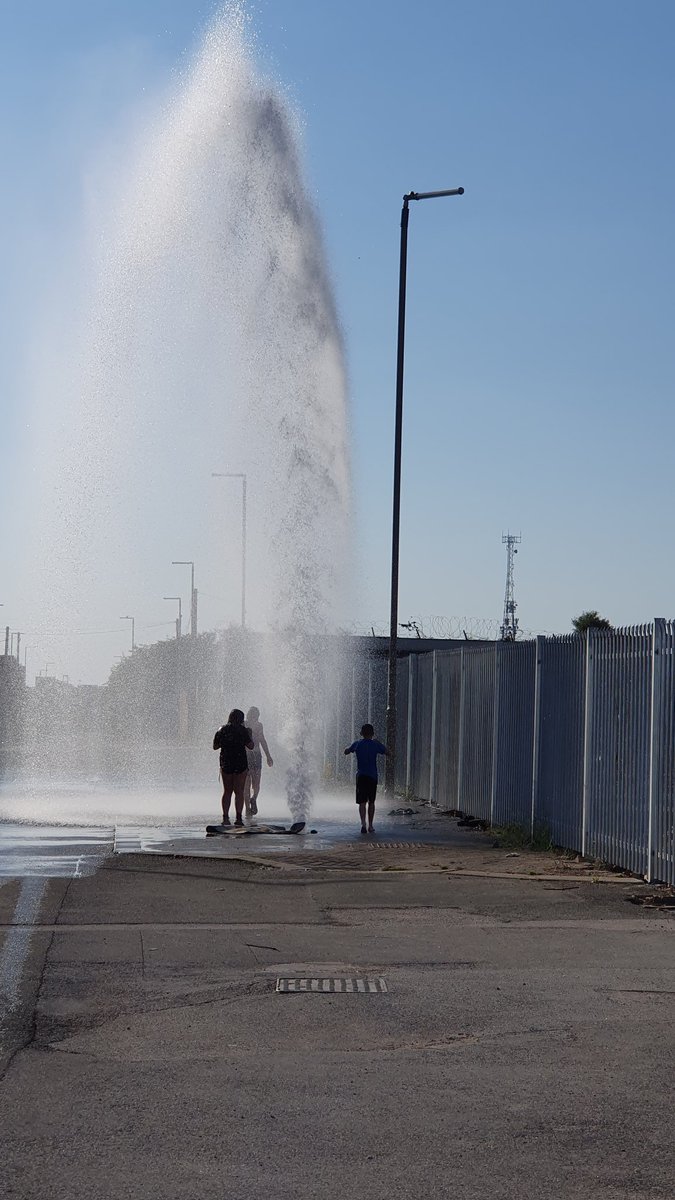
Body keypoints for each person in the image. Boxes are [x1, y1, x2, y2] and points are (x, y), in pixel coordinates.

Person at [344, 723, 388, 835]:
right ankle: (371, 826)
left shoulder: (357, 744)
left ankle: (363, 824)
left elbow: (346, 751)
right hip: (372, 776)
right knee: (371, 802)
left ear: (361, 733)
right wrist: (379, 744)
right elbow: (388, 752)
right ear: (373, 733)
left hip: (361, 776)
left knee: (362, 802)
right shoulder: (376, 744)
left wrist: (348, 749)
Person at [213, 709, 254, 827]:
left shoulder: (222, 729)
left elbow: (215, 746)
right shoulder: (243, 730)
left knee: (227, 791)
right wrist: (249, 734)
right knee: (239, 791)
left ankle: (225, 818)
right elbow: (251, 746)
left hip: (226, 761)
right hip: (240, 762)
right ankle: (238, 818)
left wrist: (226, 742)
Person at [244, 706, 274, 816]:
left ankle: (250, 805)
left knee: (250, 783)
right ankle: (251, 802)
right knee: (253, 783)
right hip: (251, 755)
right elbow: (262, 740)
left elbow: (262, 740)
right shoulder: (251, 725)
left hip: (251, 755)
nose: (255, 717)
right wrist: (268, 756)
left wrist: (268, 756)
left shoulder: (251, 725)